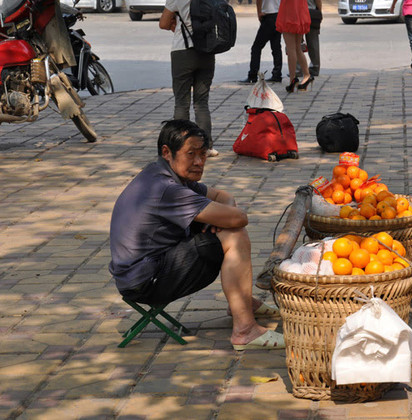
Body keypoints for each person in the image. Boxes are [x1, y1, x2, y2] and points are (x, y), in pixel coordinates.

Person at [109, 120, 284, 351]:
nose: (199, 162)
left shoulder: (165, 174)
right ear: (166, 152)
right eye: (191, 154)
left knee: (225, 228)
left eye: (203, 154)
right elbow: (239, 218)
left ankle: (242, 304)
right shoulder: (166, 189)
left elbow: (223, 196)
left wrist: (219, 218)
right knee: (234, 236)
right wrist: (222, 219)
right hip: (145, 282)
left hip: (141, 272)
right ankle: (244, 330)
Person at [159, 1, 219, 157]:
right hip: (207, 52)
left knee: (181, 103)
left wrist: (177, 24)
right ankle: (206, 147)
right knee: (201, 103)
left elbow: (163, 23)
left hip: (183, 52)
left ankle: (180, 147)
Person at [239, 0, 283, 84]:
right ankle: (277, 74)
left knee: (256, 47)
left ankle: (253, 74)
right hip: (278, 14)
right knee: (276, 47)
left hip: (268, 14)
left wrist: (259, 12)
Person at [275, 0, 313, 92]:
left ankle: (293, 79)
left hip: (289, 13)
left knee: (291, 48)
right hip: (299, 13)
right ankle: (306, 75)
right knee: (297, 48)